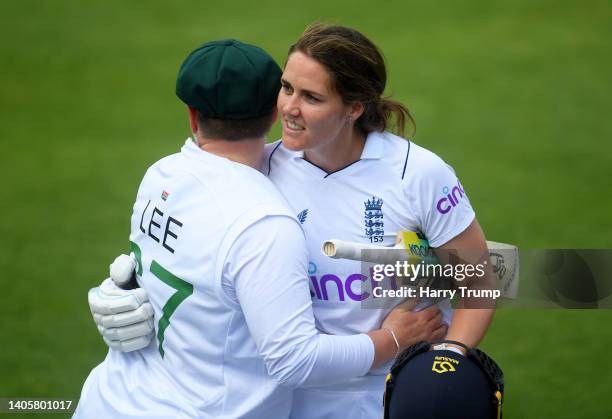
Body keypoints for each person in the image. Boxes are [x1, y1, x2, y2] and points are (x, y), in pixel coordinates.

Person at [89, 23, 495, 418]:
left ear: (354, 107)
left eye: (312, 97)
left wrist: (448, 362)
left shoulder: (419, 174)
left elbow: (480, 279)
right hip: (290, 402)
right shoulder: (259, 171)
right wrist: (127, 290)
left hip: (384, 398)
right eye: (286, 88)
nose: (289, 108)